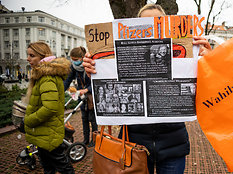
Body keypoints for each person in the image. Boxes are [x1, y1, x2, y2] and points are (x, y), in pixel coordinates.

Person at [83, 4, 212, 174]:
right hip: (134, 145)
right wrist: (93, 70)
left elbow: (209, 89)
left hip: (173, 144)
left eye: (157, 23)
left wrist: (210, 61)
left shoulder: (183, 52)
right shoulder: (120, 51)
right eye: (145, 23)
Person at [24, 41, 74, 174]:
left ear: (42, 57)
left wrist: (29, 120)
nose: (28, 59)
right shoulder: (44, 76)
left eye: (32, 55)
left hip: (49, 133)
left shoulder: (46, 78)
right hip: (45, 132)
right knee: (48, 166)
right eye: (28, 55)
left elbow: (49, 107)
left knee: (62, 166)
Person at [64, 46, 97, 147]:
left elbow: (96, 81)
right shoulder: (74, 68)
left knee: (92, 119)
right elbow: (68, 80)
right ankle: (85, 139)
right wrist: (61, 90)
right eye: (72, 60)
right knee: (84, 119)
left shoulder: (90, 65)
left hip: (91, 96)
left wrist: (87, 90)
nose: (74, 62)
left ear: (82, 57)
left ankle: (94, 139)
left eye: (75, 60)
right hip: (81, 97)